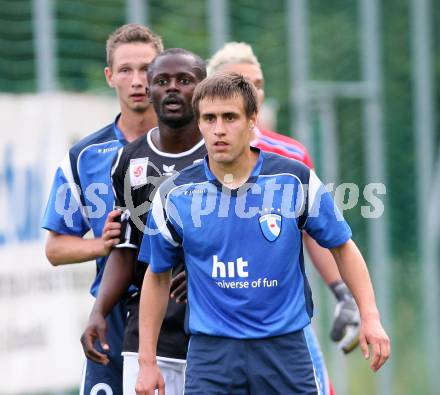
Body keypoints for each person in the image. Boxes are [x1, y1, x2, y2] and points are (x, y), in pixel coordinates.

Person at [135, 73, 390, 395]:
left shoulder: (293, 179)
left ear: (252, 120)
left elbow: (342, 247)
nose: (219, 129)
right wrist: (147, 362)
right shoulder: (175, 193)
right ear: (198, 124)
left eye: (230, 117)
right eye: (209, 118)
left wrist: (370, 317)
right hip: (211, 356)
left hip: (284, 350)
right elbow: (157, 275)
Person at [205, 41, 358, 394]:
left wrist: (342, 293)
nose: (252, 92)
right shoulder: (200, 157)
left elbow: (316, 232)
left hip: (283, 316)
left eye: (257, 83)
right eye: (240, 83)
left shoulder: (290, 154)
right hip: (215, 324)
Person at [41, 24, 163, 394]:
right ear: (110, 77)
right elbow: (55, 249)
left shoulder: (192, 147)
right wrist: (102, 243)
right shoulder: (84, 157)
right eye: (126, 70)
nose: (137, 80)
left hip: (182, 310)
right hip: (114, 312)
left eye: (147, 69)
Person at [80, 48, 207, 394]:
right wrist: (99, 312)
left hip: (215, 330)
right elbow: (125, 250)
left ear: (203, 88)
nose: (172, 89)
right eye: (162, 81)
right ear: (149, 90)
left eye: (184, 81)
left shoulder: (221, 153)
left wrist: (201, 269)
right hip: (150, 333)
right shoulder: (130, 159)